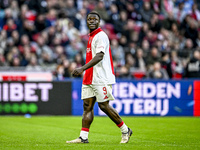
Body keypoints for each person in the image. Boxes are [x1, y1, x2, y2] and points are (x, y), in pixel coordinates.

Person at [66, 11, 132, 144]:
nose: (91, 21)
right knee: (87, 106)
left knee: (103, 105)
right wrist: (85, 71)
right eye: (89, 19)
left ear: (99, 21)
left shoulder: (101, 36)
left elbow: (100, 55)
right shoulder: (91, 36)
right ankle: (83, 137)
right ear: (86, 22)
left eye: (94, 19)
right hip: (90, 76)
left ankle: (125, 130)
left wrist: (82, 68)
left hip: (100, 76)